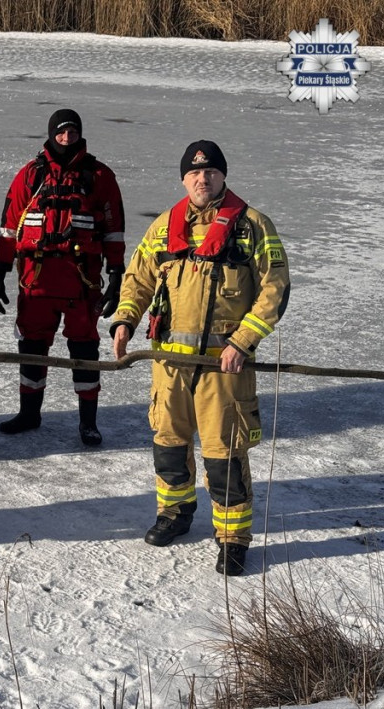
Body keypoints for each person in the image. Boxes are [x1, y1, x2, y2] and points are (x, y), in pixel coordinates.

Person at [110, 140, 290, 576]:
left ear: (223, 176)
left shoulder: (251, 226)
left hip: (223, 366)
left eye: (210, 171)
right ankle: (175, 514)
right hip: (169, 363)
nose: (202, 178)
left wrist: (243, 341)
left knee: (224, 455)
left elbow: (275, 288)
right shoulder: (165, 226)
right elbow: (138, 277)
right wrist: (125, 320)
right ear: (183, 179)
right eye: (194, 173)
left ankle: (232, 538)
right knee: (168, 446)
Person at [0, 109, 126, 445]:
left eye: (72, 132)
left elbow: (113, 229)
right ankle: (29, 413)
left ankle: (88, 422)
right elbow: (10, 228)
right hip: (37, 281)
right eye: (61, 133)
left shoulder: (99, 176)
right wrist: (0, 271)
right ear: (51, 134)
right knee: (32, 348)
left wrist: (116, 273)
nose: (67, 139)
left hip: (82, 282)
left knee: (84, 349)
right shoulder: (30, 176)